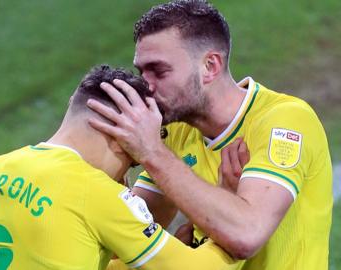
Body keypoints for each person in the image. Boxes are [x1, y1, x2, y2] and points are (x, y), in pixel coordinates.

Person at [87, 1, 333, 269]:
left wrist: (152, 153)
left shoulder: (284, 121)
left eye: (158, 71)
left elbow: (247, 235)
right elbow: (122, 246)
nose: (146, 86)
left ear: (210, 66)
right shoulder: (176, 131)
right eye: (141, 71)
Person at [0, 65, 238, 270]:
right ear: (122, 137)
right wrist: (223, 218)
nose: (126, 179)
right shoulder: (94, 190)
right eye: (134, 159)